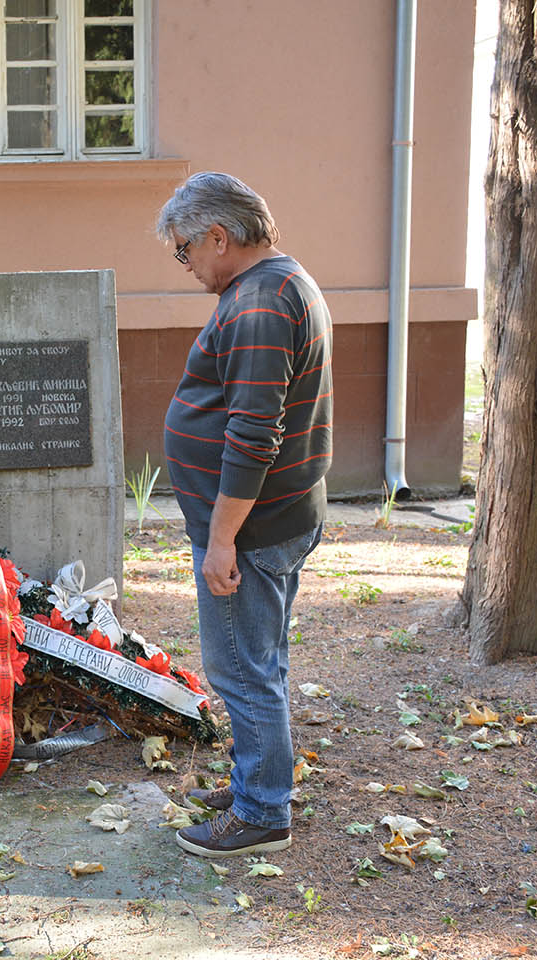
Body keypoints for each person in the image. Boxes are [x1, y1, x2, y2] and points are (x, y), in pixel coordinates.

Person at [156, 172, 333, 859]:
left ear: (219, 237)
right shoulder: (281, 283)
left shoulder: (259, 303)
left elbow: (254, 433)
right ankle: (260, 781)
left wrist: (222, 539)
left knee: (240, 669)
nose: (188, 264)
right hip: (279, 516)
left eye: (185, 250)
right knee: (265, 659)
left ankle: (263, 814)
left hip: (253, 529)